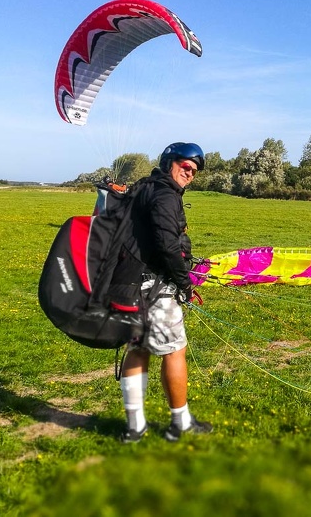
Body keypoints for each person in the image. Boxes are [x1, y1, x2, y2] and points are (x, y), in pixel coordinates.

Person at [119, 142, 213, 443]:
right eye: (185, 165)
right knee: (174, 351)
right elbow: (167, 245)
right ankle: (180, 422)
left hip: (129, 284)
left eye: (194, 170)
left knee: (138, 349)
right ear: (169, 162)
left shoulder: (144, 188)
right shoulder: (165, 195)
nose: (190, 172)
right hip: (154, 286)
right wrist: (184, 283)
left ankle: (135, 426)